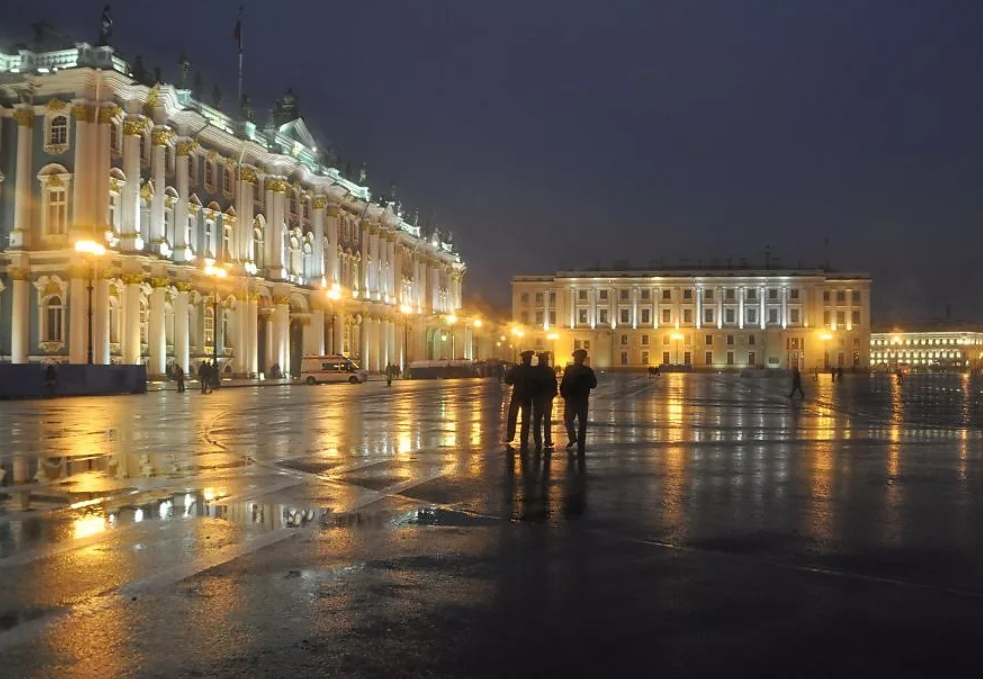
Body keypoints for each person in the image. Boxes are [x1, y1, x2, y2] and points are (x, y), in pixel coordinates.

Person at [560, 349, 597, 454]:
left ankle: (572, 438)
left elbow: (564, 383)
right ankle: (581, 442)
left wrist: (564, 394)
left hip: (571, 399)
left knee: (568, 420)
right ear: (584, 359)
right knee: (582, 423)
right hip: (582, 399)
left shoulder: (569, 369)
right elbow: (594, 384)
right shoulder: (588, 370)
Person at [504, 350, 536, 450]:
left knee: (512, 417)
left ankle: (510, 436)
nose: (530, 360)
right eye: (530, 358)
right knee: (525, 419)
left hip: (517, 396)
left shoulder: (516, 369)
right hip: (527, 397)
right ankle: (524, 438)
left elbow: (508, 381)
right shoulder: (532, 370)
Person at [532, 352, 558, 451]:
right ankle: (547, 441)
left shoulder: (534, 371)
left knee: (537, 421)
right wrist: (552, 395)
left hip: (537, 399)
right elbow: (554, 384)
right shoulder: (550, 371)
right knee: (547, 421)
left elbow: (531, 385)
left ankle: (537, 441)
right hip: (547, 399)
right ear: (545, 360)